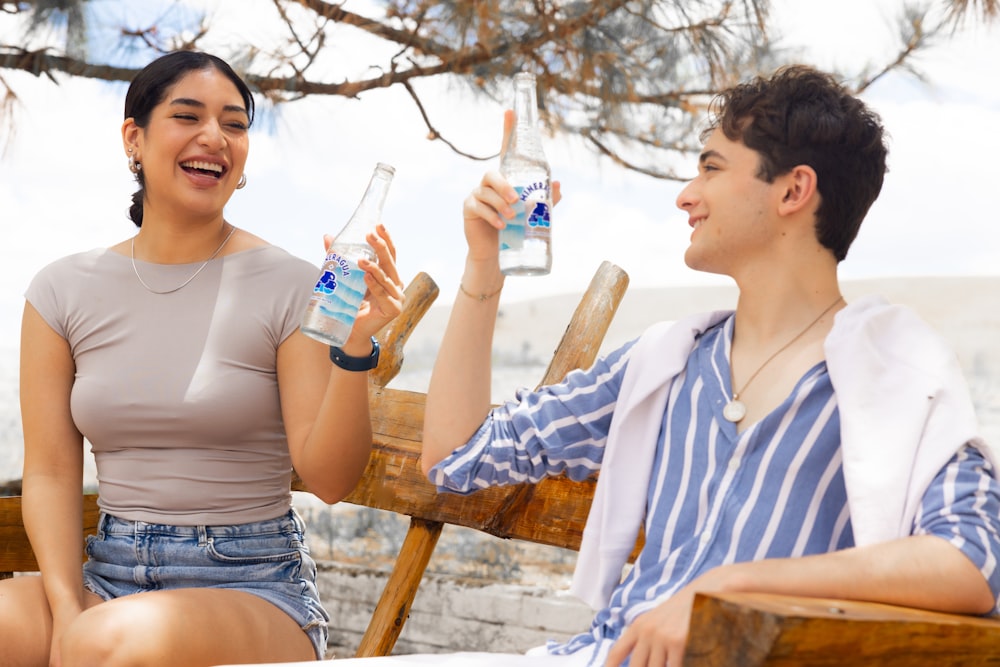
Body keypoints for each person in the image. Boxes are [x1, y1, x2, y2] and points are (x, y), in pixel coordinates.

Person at [304, 64, 1000, 667]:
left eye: (711, 166)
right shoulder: (667, 363)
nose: (684, 195)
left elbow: (972, 562)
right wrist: (484, 264)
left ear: (792, 191)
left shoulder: (897, 378)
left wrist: (726, 586)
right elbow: (457, 457)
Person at [0, 50, 404, 667]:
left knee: (99, 643)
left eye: (234, 124)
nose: (214, 137)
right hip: (108, 576)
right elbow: (53, 472)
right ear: (134, 138)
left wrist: (356, 346)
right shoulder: (61, 291)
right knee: (69, 633)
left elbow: (328, 479)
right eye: (187, 116)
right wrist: (64, 607)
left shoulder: (291, 283)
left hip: (252, 587)